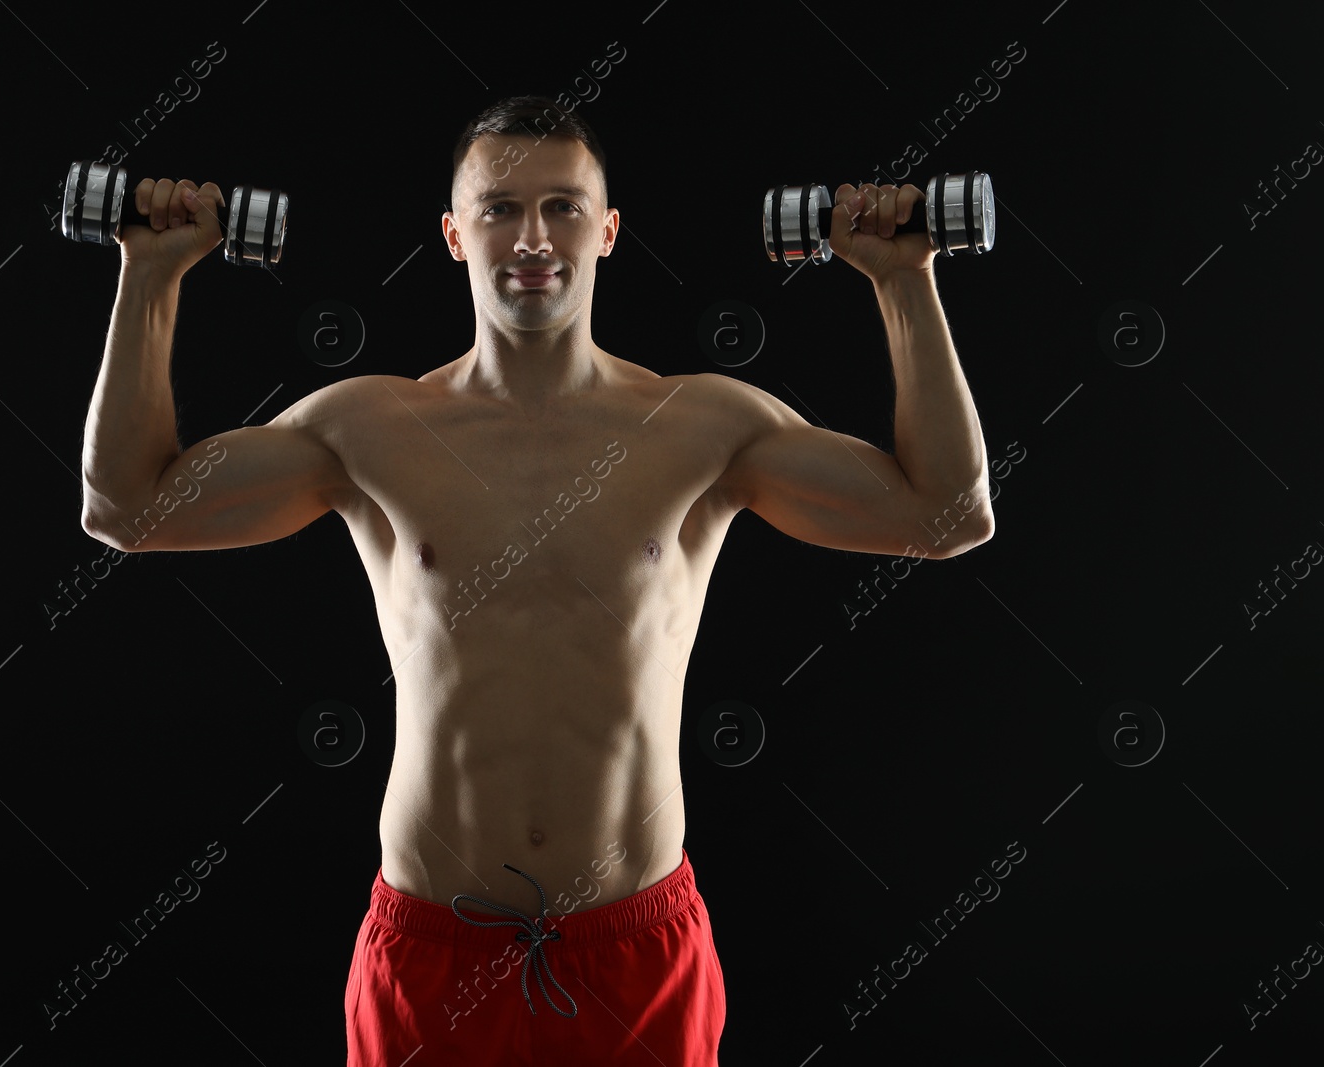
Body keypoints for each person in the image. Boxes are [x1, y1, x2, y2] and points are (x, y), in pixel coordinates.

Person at [78, 95, 994, 1066]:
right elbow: (127, 508)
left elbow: (944, 515)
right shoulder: (367, 426)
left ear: (606, 232)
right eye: (498, 207)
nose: (531, 236)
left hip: (632, 952)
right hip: (431, 950)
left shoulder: (704, 425)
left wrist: (903, 281)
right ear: (451, 233)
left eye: (563, 207)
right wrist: (150, 272)